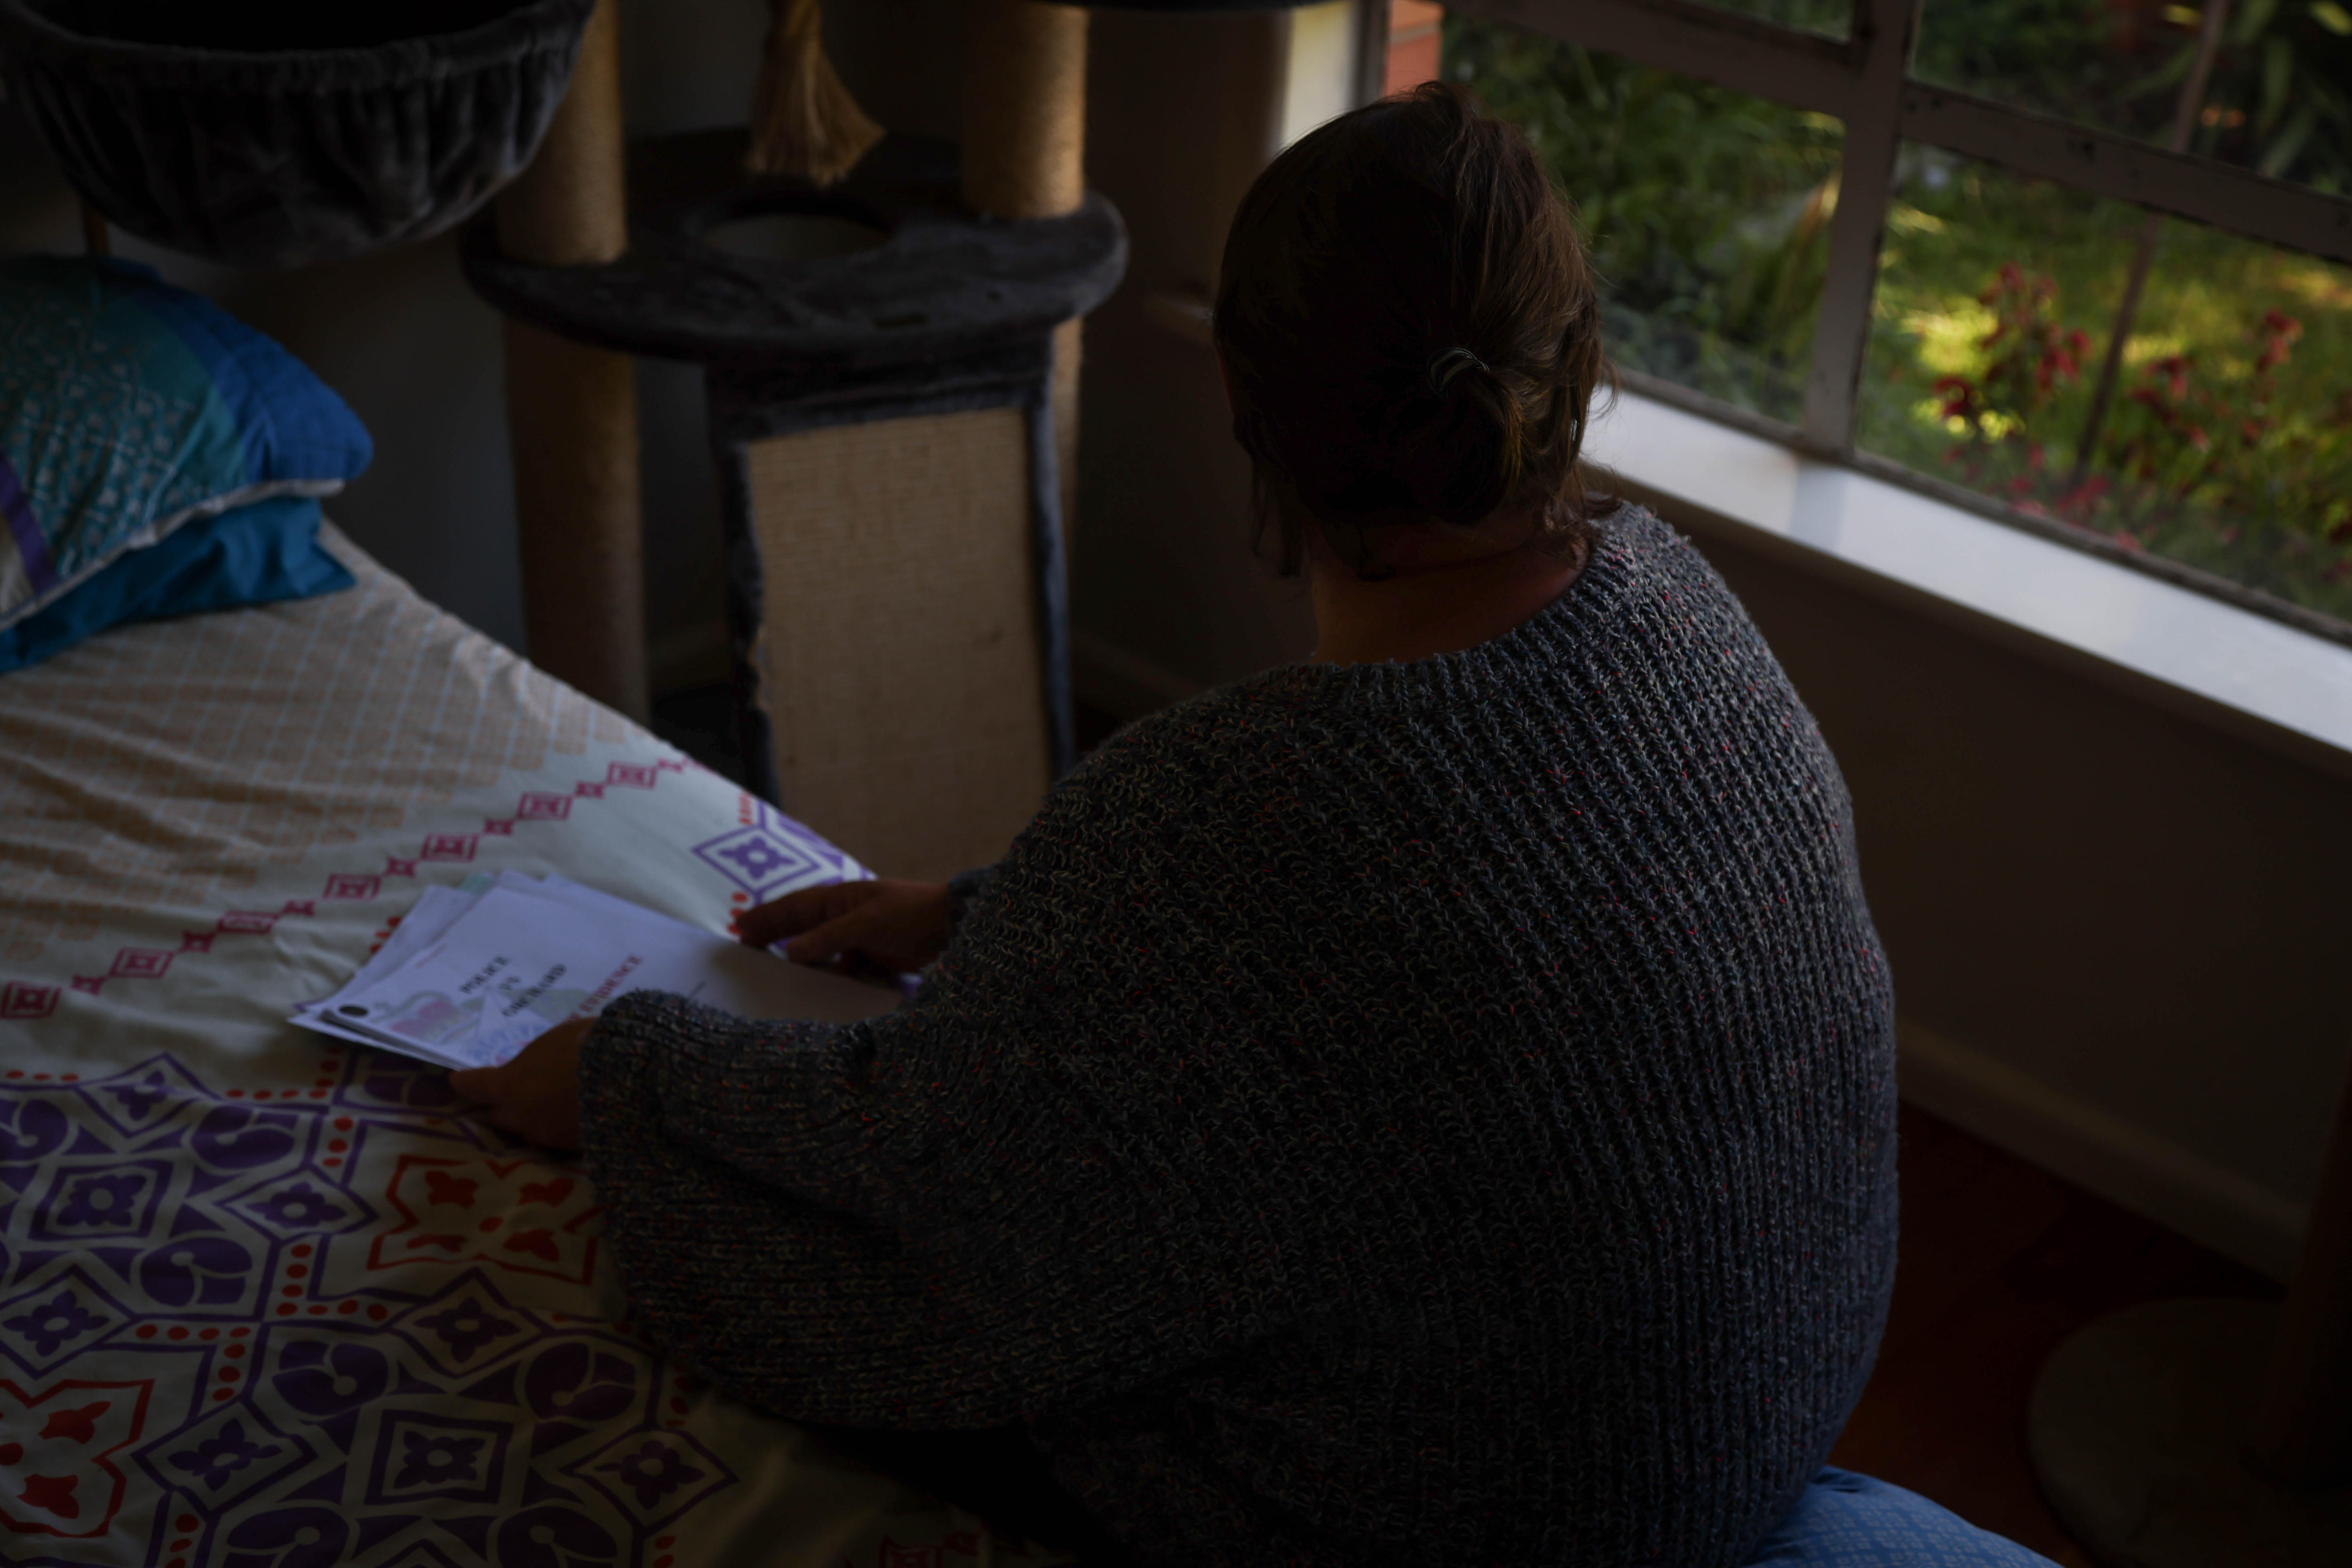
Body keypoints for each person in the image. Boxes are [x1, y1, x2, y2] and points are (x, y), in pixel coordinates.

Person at [453, 83, 1898, 1568]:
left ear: (1241, 407)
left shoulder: (1211, 817)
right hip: (1765, 1416)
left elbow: (934, 1216)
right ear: (1578, 362)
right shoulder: (1690, 614)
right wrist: (987, 910)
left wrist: (631, 1074)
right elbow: (1391, 962)